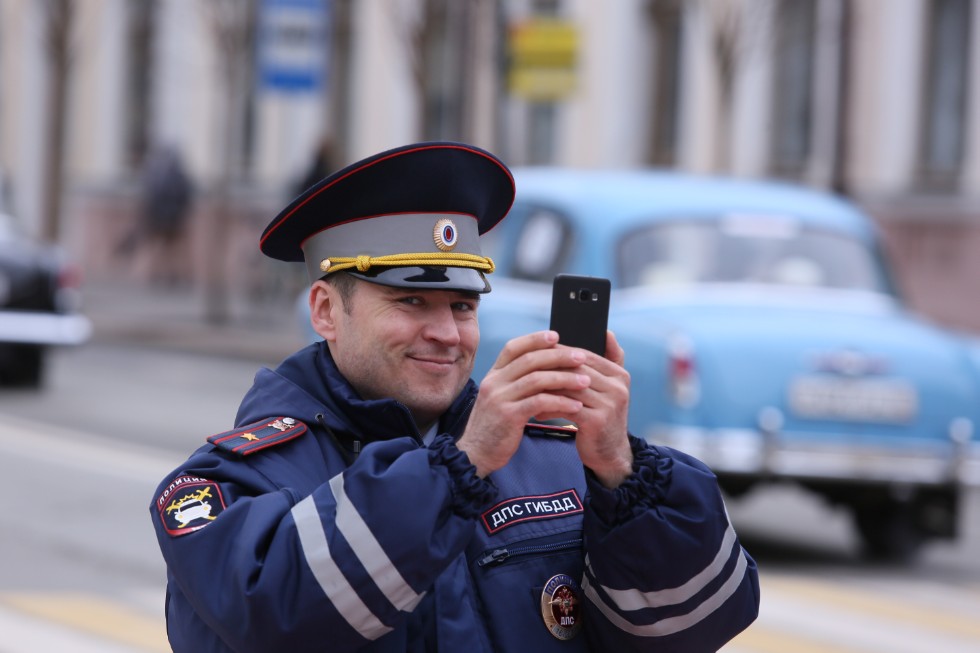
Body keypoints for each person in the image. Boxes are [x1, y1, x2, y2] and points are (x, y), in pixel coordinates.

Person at [149, 141, 760, 652]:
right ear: (325, 311)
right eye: (410, 302)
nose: (445, 333)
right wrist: (459, 468)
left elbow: (695, 623)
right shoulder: (222, 487)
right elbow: (277, 615)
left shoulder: (552, 453)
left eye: (462, 306)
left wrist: (620, 474)